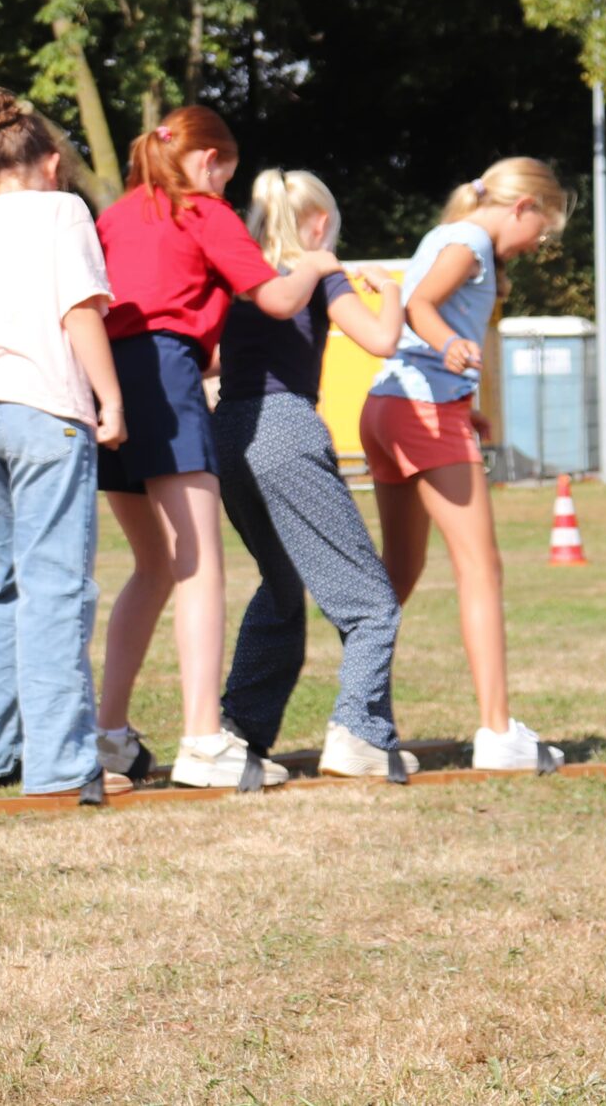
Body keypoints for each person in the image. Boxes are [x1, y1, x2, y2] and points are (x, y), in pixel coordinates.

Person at [92, 107, 337, 791]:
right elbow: (278, 298)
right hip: (166, 376)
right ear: (208, 161)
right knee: (199, 563)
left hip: (106, 381)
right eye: (226, 173)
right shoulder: (202, 210)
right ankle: (204, 740)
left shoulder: (116, 216)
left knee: (152, 566)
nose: (226, 186)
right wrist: (317, 263)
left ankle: (109, 735)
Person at [0, 91, 129, 803]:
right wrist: (110, 399)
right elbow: (79, 310)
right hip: (43, 406)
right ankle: (61, 767)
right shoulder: (63, 211)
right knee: (56, 586)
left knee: (6, 585)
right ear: (50, 163)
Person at [363, 158, 574, 773]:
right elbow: (420, 306)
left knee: (398, 572)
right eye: (541, 232)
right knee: (481, 568)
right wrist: (450, 345)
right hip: (425, 413)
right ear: (522, 207)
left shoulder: (445, 234)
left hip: (387, 407)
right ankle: (498, 732)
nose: (535, 245)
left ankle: (356, 718)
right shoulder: (473, 241)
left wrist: (467, 407)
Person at [216, 170, 411, 779]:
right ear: (321, 224)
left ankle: (238, 729)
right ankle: (359, 732)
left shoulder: (240, 278)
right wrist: (390, 289)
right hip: (287, 430)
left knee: (281, 590)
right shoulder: (319, 273)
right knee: (371, 603)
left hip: (229, 433)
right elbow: (381, 339)